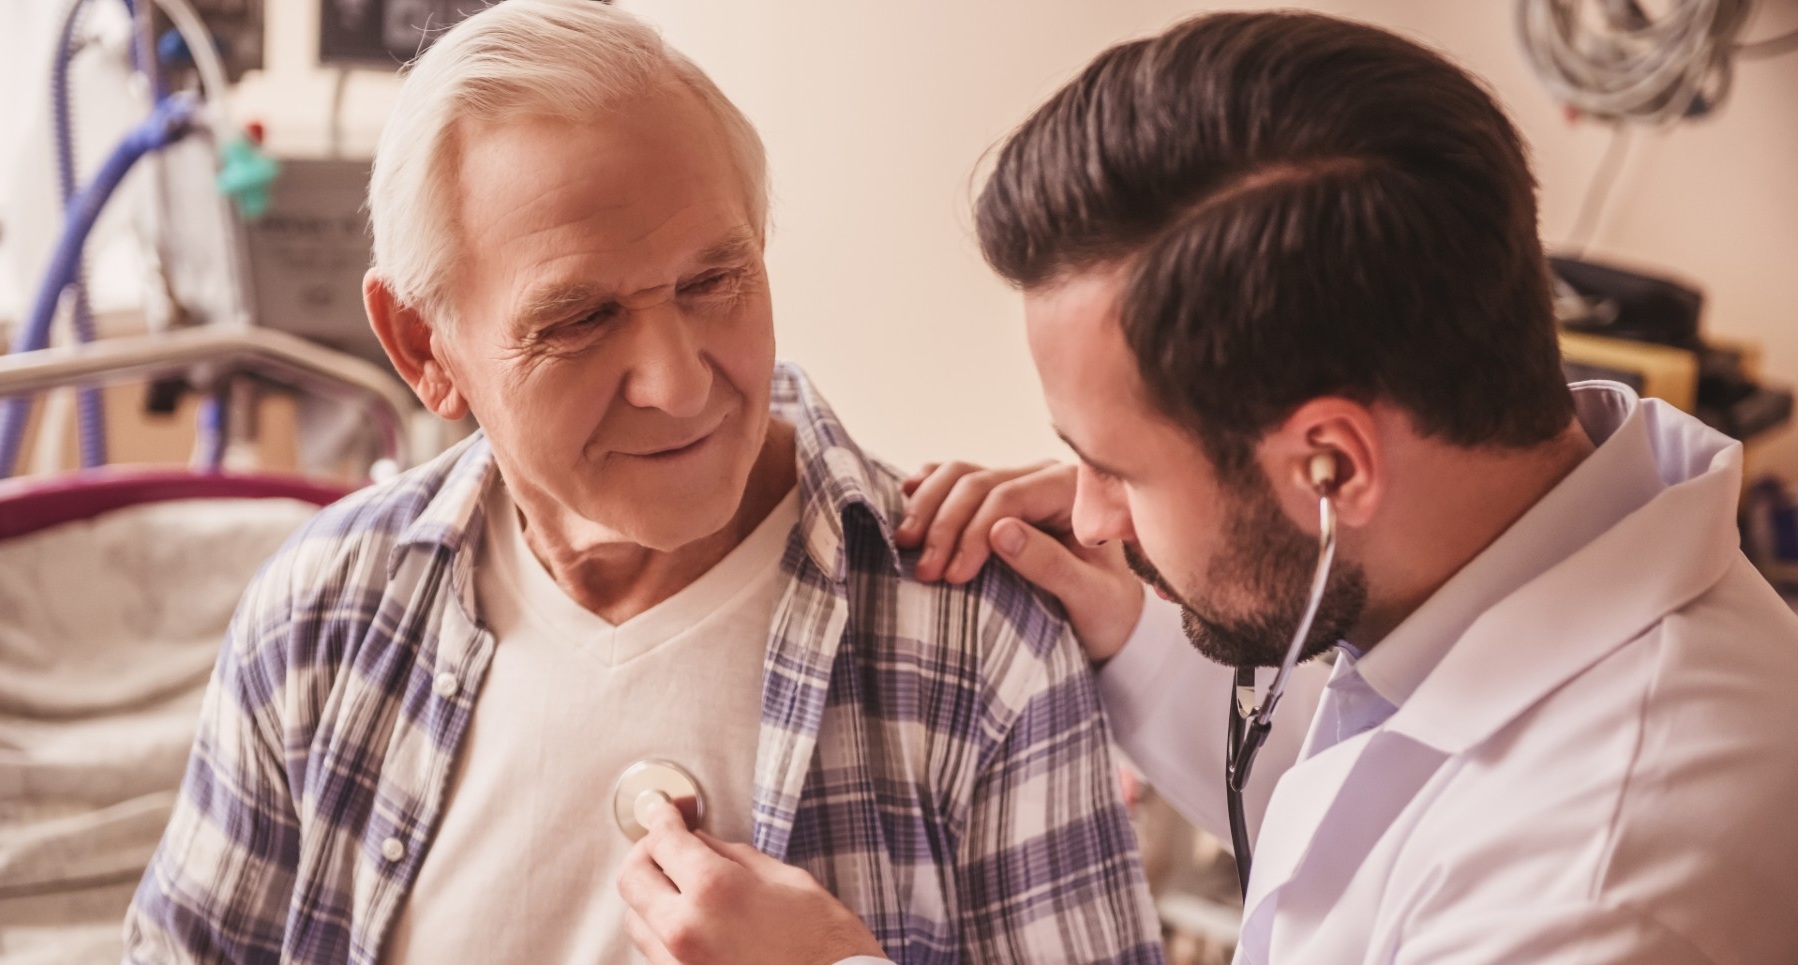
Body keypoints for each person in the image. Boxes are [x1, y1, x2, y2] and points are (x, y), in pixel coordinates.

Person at [617, 10, 1798, 965]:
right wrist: (1131, 627)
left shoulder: (1599, 890)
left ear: (1332, 464)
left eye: (1118, 468)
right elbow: (1371, 802)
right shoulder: (1490, 557)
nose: (1087, 514)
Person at [121, 3, 1165, 962]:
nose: (678, 384)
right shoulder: (320, 616)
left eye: (714, 280)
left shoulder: (977, 642)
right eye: (579, 318)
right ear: (422, 345)